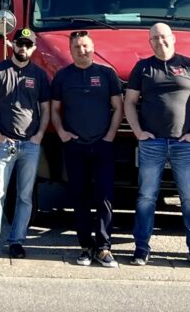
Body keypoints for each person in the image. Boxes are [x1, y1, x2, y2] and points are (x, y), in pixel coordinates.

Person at [124, 23, 190, 267]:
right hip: (152, 144)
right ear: (149, 42)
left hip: (184, 143)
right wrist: (138, 132)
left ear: (173, 38)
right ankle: (141, 248)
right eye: (154, 38)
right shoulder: (142, 68)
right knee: (146, 197)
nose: (159, 41)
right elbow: (129, 102)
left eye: (163, 37)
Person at [50, 30, 124, 268]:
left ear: (93, 47)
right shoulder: (62, 77)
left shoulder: (107, 74)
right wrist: (62, 133)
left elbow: (118, 107)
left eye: (85, 46)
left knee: (104, 197)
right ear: (70, 51)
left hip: (102, 145)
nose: (81, 51)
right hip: (75, 146)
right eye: (76, 47)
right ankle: (85, 246)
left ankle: (103, 247)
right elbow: (54, 109)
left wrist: (110, 136)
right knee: (79, 197)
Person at [0, 27, 50, 263]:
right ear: (13, 44)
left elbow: (46, 108)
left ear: (34, 48)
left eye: (28, 45)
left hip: (30, 145)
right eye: (20, 43)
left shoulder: (39, 75)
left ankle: (17, 241)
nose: (23, 48)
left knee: (25, 196)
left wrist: (39, 135)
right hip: (3, 144)